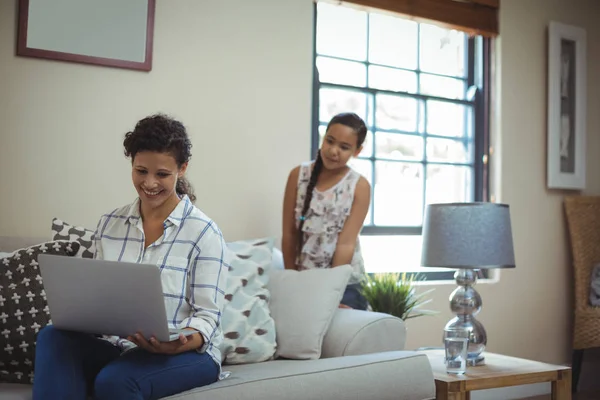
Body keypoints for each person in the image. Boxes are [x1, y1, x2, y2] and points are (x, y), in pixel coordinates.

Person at [32, 114, 230, 400]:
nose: (149, 183)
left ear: (182, 169)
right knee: (52, 336)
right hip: (123, 348)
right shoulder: (109, 224)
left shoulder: (205, 234)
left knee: (114, 381)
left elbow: (208, 317)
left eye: (162, 174)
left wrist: (172, 345)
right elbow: (99, 296)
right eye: (141, 171)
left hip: (189, 354)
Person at [281, 112, 371, 310]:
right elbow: (289, 234)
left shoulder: (359, 186)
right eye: (330, 141)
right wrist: (292, 280)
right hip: (305, 281)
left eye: (344, 147)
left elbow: (345, 244)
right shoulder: (298, 175)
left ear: (357, 151)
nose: (333, 151)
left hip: (345, 285)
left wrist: (332, 293)